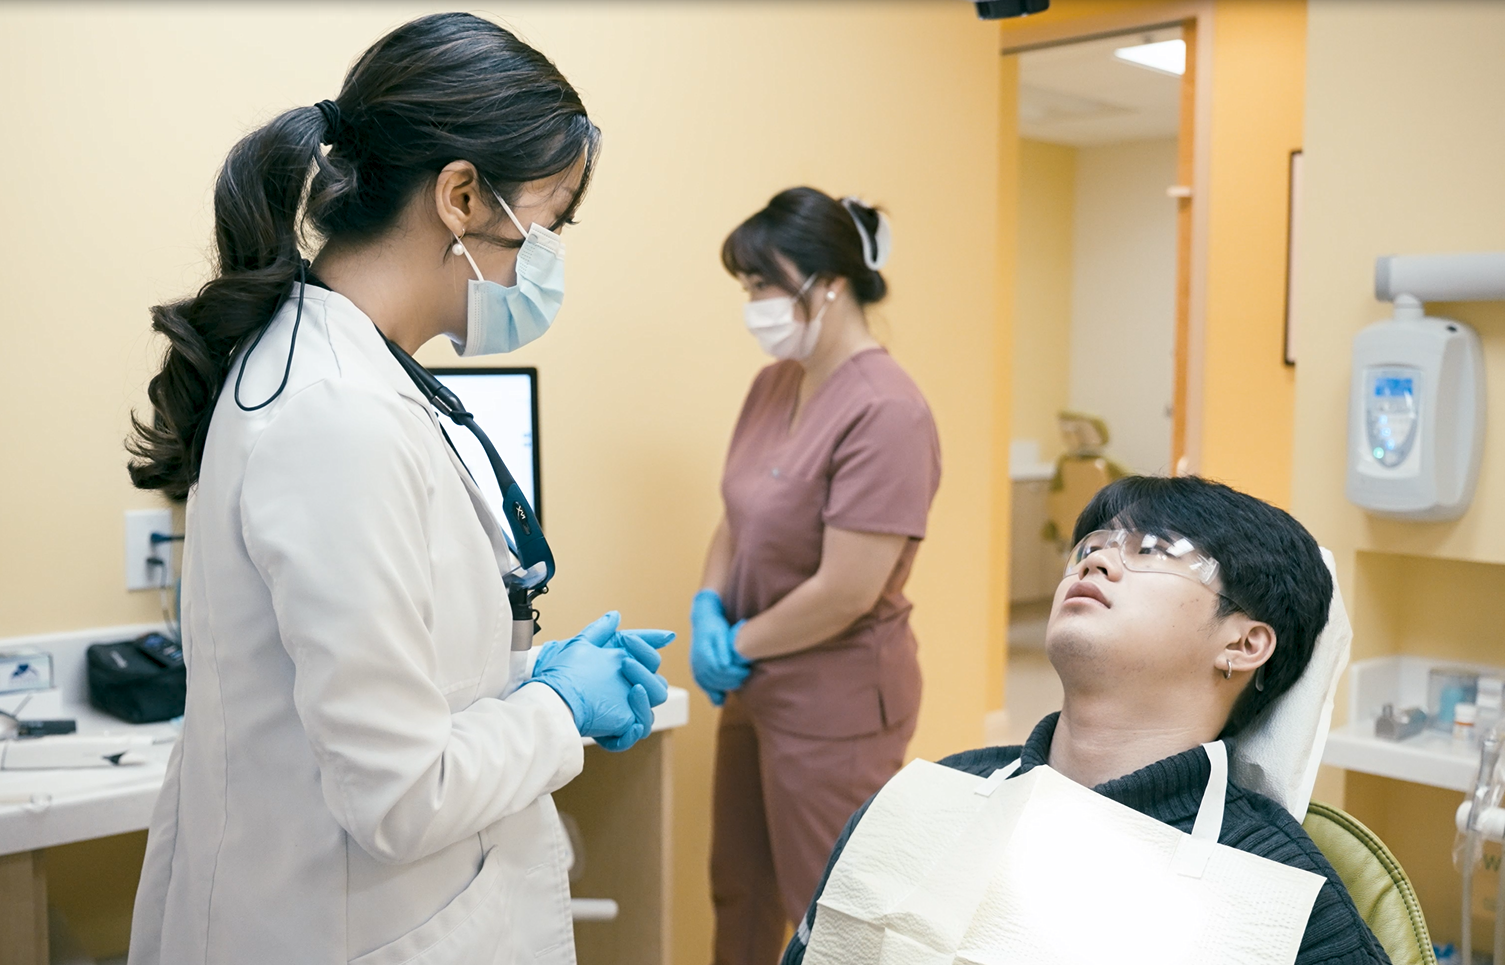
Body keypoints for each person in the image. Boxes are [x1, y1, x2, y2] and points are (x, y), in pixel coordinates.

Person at [123, 14, 672, 964]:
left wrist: (524, 678)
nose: (546, 258)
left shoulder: (356, 374)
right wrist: (560, 709)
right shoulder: (334, 414)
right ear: (461, 195)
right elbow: (399, 792)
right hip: (348, 927)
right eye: (549, 220)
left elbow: (387, 681)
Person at [781, 475, 1391, 965]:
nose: (1095, 564)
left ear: (1245, 644)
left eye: (1153, 551)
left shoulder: (1282, 897)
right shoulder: (925, 802)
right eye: (1092, 547)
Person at [692, 187, 942, 965]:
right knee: (739, 887)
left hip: (835, 696)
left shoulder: (887, 411)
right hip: (755, 679)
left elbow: (846, 588)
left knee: (828, 912)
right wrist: (708, 604)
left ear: (828, 284)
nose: (754, 305)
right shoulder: (774, 383)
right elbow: (736, 514)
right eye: (747, 288)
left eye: (765, 285)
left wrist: (737, 640)